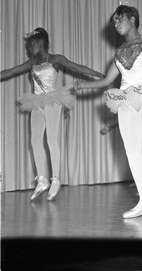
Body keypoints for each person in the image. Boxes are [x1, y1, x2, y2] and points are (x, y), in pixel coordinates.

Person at [74, 5, 142, 219]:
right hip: (124, 98)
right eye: (114, 22)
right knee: (132, 149)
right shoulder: (119, 52)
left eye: (119, 19)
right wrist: (82, 85)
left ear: (132, 18)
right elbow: (106, 80)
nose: (116, 24)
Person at [1, 28, 103, 201]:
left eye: (30, 45)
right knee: (35, 140)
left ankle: (55, 179)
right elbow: (10, 71)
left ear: (40, 43)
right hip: (37, 101)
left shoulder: (56, 59)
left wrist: (101, 76)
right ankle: (42, 179)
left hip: (53, 100)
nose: (28, 49)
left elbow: (77, 67)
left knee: (51, 139)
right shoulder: (32, 62)